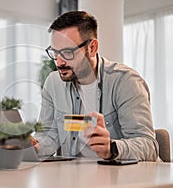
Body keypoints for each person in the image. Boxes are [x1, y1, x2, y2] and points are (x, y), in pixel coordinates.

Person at [32, 11, 159, 161]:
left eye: (67, 52)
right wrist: (34, 146)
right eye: (55, 53)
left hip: (120, 179)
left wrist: (111, 148)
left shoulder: (125, 81)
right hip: (73, 178)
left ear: (92, 48)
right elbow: (49, 134)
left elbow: (149, 146)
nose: (59, 63)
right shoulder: (53, 83)